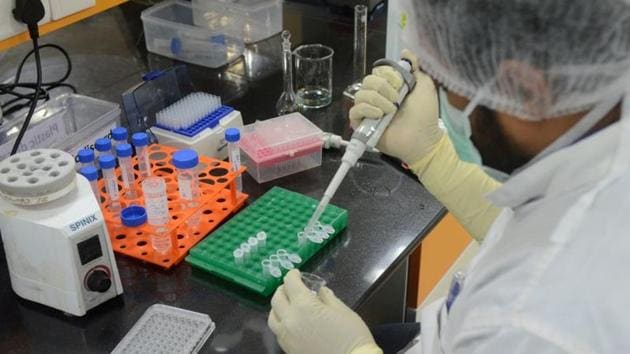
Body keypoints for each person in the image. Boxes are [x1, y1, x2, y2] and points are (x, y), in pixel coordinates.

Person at [268, 0, 630, 353]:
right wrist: (432, 156)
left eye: (445, 81)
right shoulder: (608, 124)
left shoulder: (529, 325)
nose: (439, 100)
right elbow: (534, 229)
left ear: (525, 89)